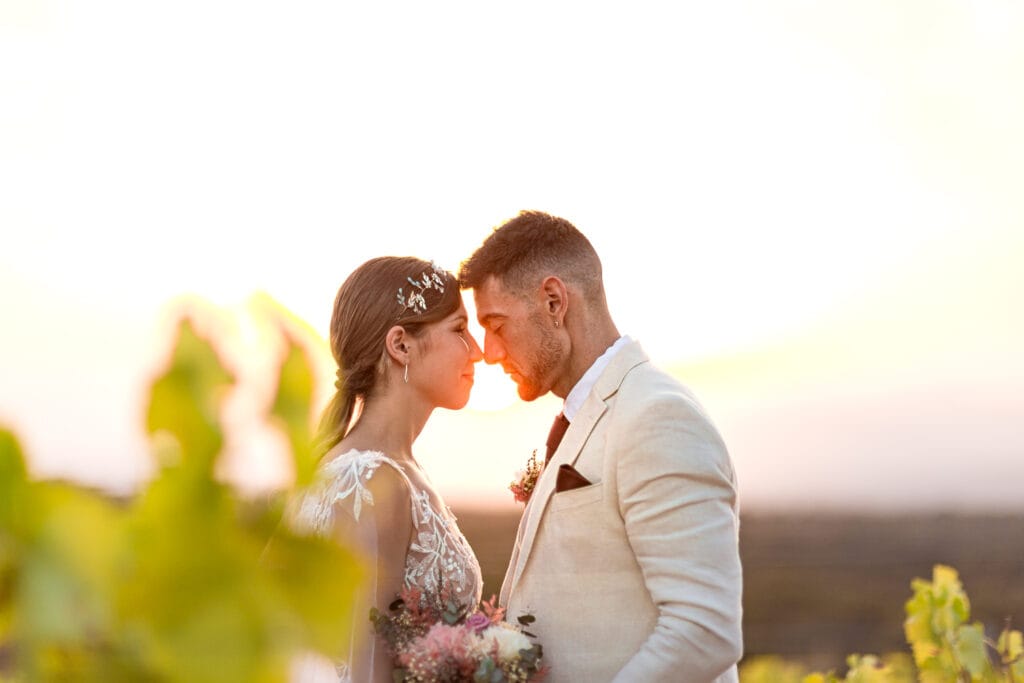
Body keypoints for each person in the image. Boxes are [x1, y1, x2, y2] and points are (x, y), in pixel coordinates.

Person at [459, 211, 743, 682]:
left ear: (553, 301)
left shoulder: (656, 416)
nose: (489, 351)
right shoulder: (589, 414)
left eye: (497, 324)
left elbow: (705, 630)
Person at [288, 256, 485, 682]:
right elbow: (363, 668)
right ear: (400, 346)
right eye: (459, 330)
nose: (479, 351)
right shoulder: (375, 482)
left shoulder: (392, 470)